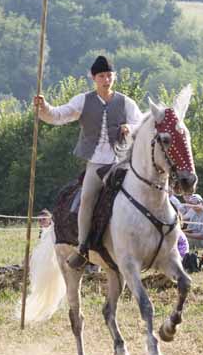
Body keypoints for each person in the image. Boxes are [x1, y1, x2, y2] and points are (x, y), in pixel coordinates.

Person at [34, 55, 143, 269]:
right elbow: (58, 115)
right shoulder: (83, 100)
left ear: (114, 77)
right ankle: (83, 247)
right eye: (102, 76)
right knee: (86, 199)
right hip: (96, 162)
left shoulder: (126, 102)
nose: (106, 80)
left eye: (109, 76)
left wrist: (130, 128)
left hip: (120, 161)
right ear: (93, 78)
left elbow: (141, 122)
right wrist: (44, 106)